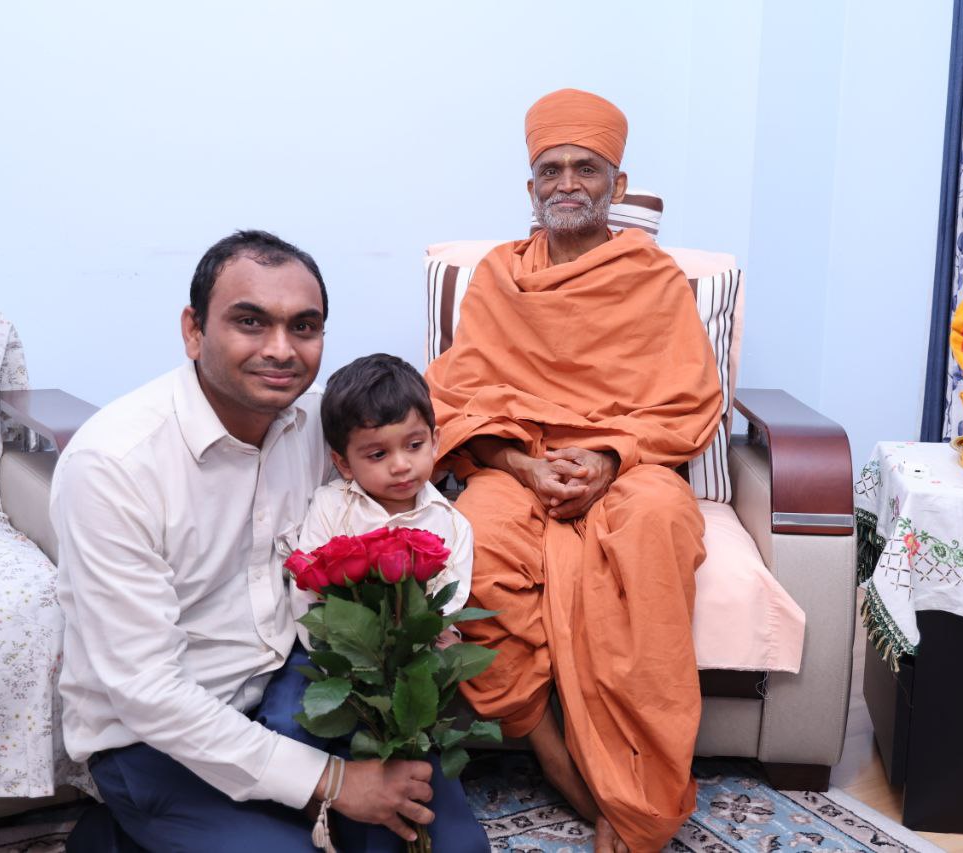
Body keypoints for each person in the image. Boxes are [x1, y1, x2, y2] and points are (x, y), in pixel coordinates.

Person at [53, 231, 486, 852]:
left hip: (304, 697)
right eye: (250, 322)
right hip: (162, 741)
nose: (281, 349)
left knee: (454, 848)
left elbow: (406, 483)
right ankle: (124, 831)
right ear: (194, 330)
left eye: (304, 327)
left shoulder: (323, 430)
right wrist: (335, 782)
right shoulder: (114, 466)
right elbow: (146, 691)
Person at [425, 89, 724, 852]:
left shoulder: (654, 279)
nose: (566, 183)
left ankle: (636, 791)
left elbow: (690, 400)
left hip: (629, 462)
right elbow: (458, 399)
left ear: (616, 185)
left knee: (656, 521)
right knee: (476, 534)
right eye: (550, 169)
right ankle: (560, 761)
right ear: (531, 187)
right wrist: (524, 466)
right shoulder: (498, 275)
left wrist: (608, 456)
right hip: (517, 462)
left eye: (584, 168)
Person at [287, 352, 472, 648]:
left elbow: (449, 604)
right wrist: (331, 655)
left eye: (415, 445)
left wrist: (441, 642)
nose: (401, 465)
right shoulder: (330, 506)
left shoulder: (453, 525)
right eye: (378, 454)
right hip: (343, 649)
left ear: (435, 441)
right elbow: (306, 589)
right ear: (344, 464)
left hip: (417, 654)